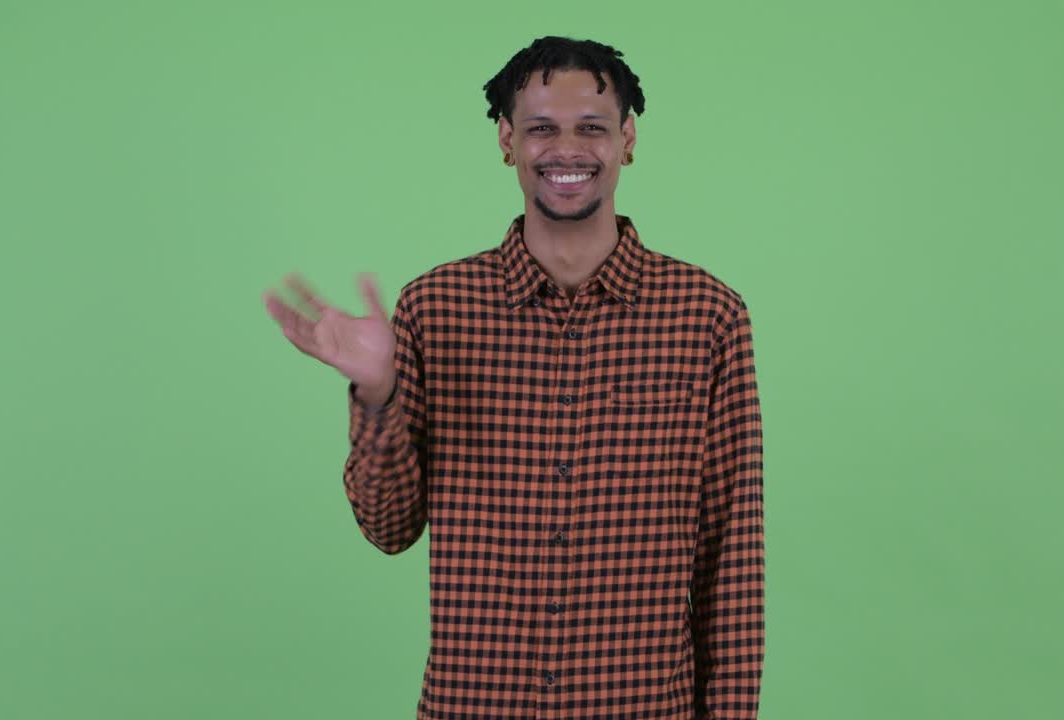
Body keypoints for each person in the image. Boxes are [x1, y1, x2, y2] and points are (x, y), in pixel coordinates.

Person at [263, 35, 765, 720]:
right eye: (541, 129)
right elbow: (387, 527)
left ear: (628, 138)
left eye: (591, 127)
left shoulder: (708, 317)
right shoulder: (434, 309)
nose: (568, 149)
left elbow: (731, 557)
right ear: (506, 140)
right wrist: (378, 392)